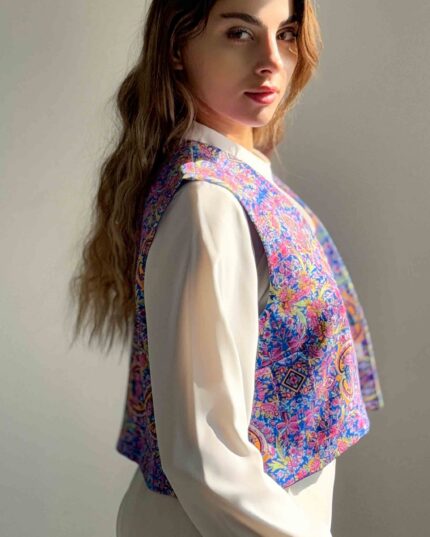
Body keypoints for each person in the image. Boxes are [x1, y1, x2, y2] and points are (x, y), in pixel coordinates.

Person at [69, 1, 384, 536]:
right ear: (176, 47)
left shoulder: (234, 184)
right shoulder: (208, 204)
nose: (271, 60)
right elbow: (206, 460)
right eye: (239, 33)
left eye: (285, 34)